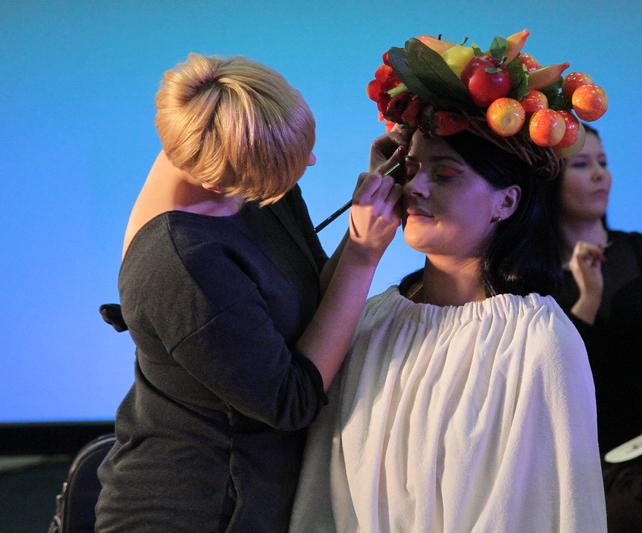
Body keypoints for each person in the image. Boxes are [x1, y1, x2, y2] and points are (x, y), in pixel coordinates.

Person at [289, 31, 608, 529]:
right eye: (412, 168)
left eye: (445, 174)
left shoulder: (536, 341)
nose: (415, 186)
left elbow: (553, 507)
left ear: (507, 201)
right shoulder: (370, 322)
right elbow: (319, 495)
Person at [95, 53, 404, 531]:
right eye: (289, 166)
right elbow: (292, 400)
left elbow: (314, 306)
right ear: (218, 178)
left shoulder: (234, 164)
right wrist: (363, 255)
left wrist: (372, 209)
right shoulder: (182, 263)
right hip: (202, 512)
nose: (310, 163)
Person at [550, 124, 642, 455]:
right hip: (588, 460)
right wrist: (588, 300)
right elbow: (554, 381)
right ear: (549, 180)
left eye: (603, 162)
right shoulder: (533, 275)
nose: (599, 174)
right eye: (581, 164)